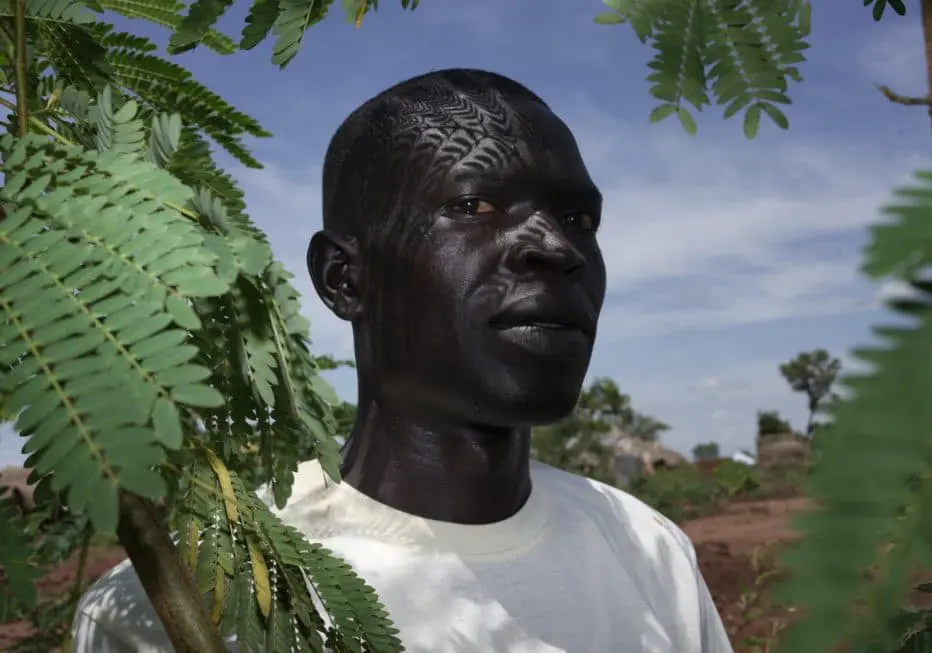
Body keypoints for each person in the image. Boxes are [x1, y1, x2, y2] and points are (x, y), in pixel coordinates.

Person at [72, 68, 733, 652]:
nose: (557, 248)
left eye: (580, 219)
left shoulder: (650, 552)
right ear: (343, 279)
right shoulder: (172, 605)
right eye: (474, 206)